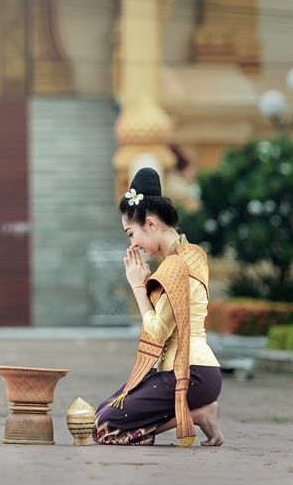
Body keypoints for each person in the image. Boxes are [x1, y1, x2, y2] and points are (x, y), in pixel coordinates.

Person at [92, 167, 223, 447]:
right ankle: (198, 411)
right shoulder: (191, 255)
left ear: (151, 224)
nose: (133, 244)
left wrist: (138, 285)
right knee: (104, 410)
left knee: (105, 426)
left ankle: (199, 413)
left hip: (190, 372)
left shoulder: (177, 264)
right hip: (193, 370)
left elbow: (158, 331)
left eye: (131, 234)